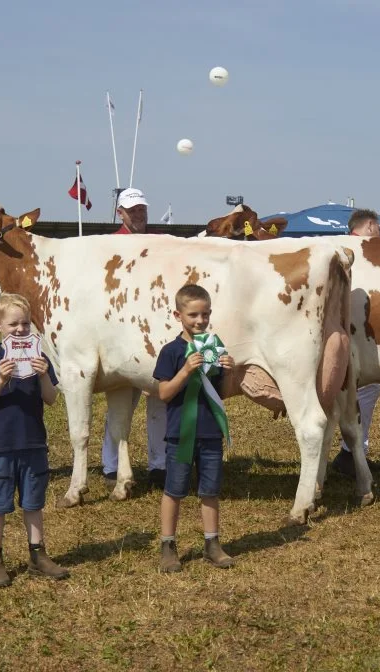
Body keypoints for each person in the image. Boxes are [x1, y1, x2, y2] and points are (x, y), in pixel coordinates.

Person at [0, 293, 70, 587]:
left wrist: (43, 377)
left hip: (34, 443)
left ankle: (37, 553)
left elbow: (52, 399)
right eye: (13, 324)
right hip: (2, 446)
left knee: (33, 502)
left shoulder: (40, 358)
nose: (20, 329)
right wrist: (0, 379)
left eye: (25, 324)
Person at [153, 284, 236, 572]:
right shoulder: (171, 352)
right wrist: (186, 370)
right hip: (180, 434)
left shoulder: (215, 347)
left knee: (210, 491)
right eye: (193, 315)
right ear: (178, 315)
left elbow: (222, 393)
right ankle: (168, 545)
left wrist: (230, 370)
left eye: (205, 314)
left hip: (210, 432)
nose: (200, 321)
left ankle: (212, 544)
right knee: (174, 490)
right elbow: (164, 393)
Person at [100, 187, 166, 489]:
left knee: (160, 398)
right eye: (133, 210)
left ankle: (159, 465)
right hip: (119, 332)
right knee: (120, 400)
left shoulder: (157, 242)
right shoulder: (110, 245)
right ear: (120, 213)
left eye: (142, 209)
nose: (139, 214)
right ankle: (111, 464)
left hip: (152, 330)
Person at [331, 209, 380, 477]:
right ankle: (351, 451)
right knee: (364, 388)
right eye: (378, 226)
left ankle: (352, 451)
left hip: (347, 327)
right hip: (351, 330)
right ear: (371, 225)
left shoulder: (338, 248)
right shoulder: (361, 252)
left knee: (363, 388)